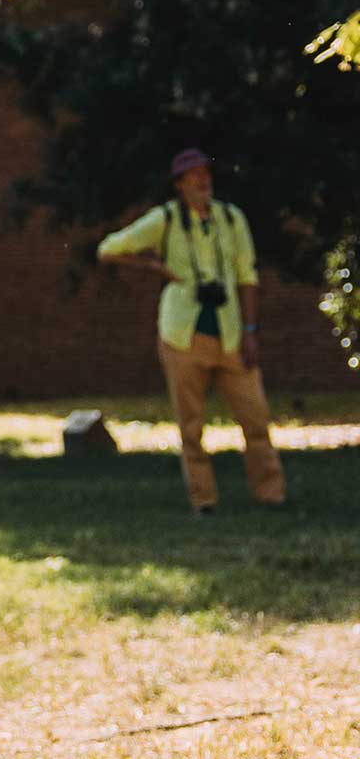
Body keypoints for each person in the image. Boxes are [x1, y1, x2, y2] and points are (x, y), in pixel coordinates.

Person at [97, 146, 286, 514]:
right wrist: (153, 267)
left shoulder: (231, 219)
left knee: (255, 416)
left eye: (206, 173)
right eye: (194, 174)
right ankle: (204, 500)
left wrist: (250, 330)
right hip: (182, 335)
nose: (203, 180)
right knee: (191, 424)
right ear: (179, 183)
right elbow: (108, 249)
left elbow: (247, 276)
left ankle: (271, 495)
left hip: (230, 333)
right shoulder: (165, 219)